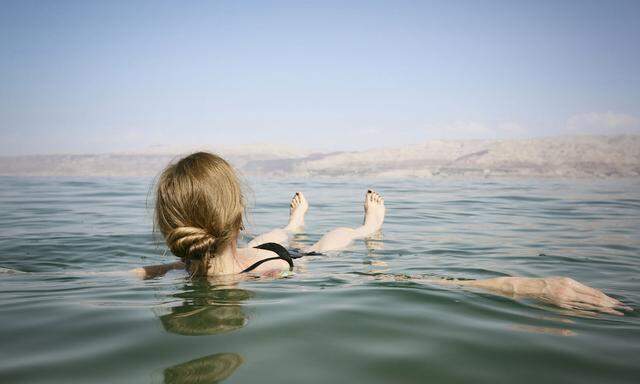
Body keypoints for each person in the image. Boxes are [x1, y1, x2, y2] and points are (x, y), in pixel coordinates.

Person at [135, 151, 631, 315]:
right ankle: (366, 228)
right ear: (236, 216)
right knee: (335, 239)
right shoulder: (266, 279)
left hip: (257, 249)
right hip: (282, 257)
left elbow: (141, 272)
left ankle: (295, 222)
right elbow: (405, 284)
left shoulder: (176, 267)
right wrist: (526, 286)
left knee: (284, 232)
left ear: (170, 227)